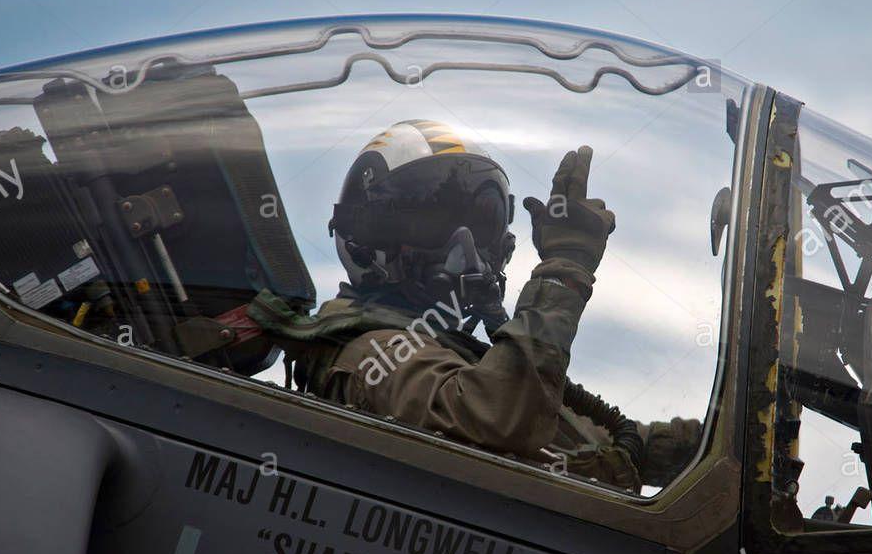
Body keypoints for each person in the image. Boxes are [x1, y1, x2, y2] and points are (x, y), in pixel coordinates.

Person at [249, 120, 700, 492]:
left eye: (478, 224)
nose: (464, 246)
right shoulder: (371, 356)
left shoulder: (450, 354)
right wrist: (563, 270)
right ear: (368, 239)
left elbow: (601, 441)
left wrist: (720, 439)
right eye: (434, 222)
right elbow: (500, 415)